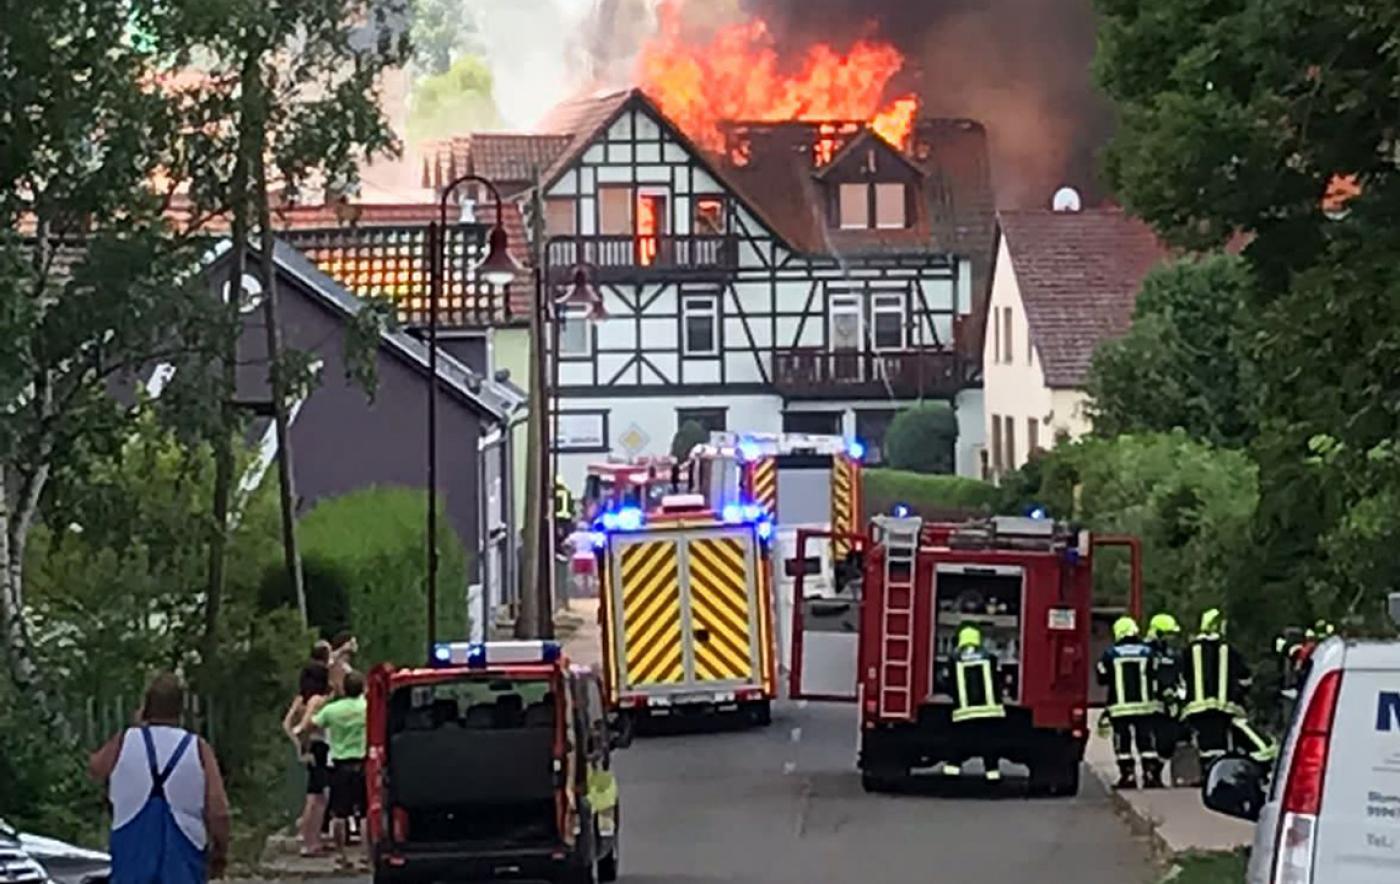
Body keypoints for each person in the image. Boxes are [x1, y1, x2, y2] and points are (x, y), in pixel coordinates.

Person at [89, 673, 230, 884]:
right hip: (183, 856)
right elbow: (218, 810)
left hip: (131, 853)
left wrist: (135, 726)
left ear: (146, 706)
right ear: (181, 709)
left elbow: (95, 769)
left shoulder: (123, 742)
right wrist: (220, 852)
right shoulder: (198, 749)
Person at [1182, 608, 1274, 768]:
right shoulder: (1230, 650)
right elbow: (1245, 679)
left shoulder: (1188, 651)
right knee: (1221, 747)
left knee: (1206, 748)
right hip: (1224, 709)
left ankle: (1207, 770)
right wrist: (1240, 695)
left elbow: (1181, 678)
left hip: (1195, 710)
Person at [309, 670, 368, 871]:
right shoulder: (368, 708)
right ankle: (366, 855)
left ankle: (343, 856)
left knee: (339, 814)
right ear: (362, 688)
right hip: (363, 763)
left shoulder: (332, 710)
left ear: (344, 689)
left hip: (340, 765)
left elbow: (312, 724)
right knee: (365, 813)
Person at [1098, 617, 1164, 789]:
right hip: (1145, 707)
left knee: (1123, 743)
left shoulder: (1110, 654)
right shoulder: (1148, 652)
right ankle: (1150, 775)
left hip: (1120, 708)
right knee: (1146, 742)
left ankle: (1128, 776)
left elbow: (1102, 678)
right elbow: (1157, 673)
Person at [941, 625, 1006, 782]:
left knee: (958, 743)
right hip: (989, 711)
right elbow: (999, 679)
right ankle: (992, 774)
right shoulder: (989, 657)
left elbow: (948, 682)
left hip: (964, 713)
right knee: (989, 745)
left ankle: (952, 772)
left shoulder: (954, 658)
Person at [283, 660, 331, 856]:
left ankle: (307, 835)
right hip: (319, 745)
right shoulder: (317, 700)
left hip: (309, 747)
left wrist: (299, 746)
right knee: (318, 797)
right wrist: (302, 730)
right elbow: (306, 723)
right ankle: (311, 839)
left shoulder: (300, 699)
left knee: (314, 793)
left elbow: (286, 724)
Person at [1146, 613, 1186, 778]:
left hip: (1170, 705)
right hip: (1150, 705)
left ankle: (1156, 770)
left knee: (1171, 739)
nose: (1171, 638)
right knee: (1153, 742)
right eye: (1168, 634)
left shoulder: (1172, 654)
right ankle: (1151, 772)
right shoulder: (1146, 652)